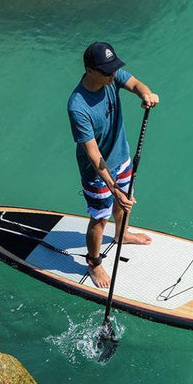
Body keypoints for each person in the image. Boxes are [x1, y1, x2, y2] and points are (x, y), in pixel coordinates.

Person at [67, 42, 159, 288]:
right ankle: (94, 262)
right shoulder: (78, 106)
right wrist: (114, 188)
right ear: (90, 70)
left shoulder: (111, 75)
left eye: (113, 70)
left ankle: (121, 234)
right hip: (97, 173)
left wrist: (146, 94)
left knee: (123, 203)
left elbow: (137, 84)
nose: (112, 74)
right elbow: (94, 156)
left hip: (122, 157)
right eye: (106, 71)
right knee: (99, 218)